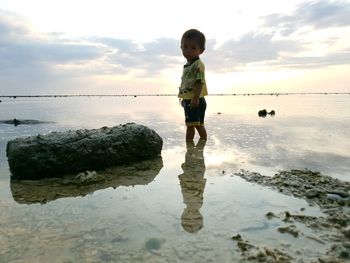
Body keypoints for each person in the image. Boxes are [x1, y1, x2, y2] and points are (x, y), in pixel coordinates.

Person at [178, 29, 208, 142]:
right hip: (189, 100)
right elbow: (186, 83)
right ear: (181, 47)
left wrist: (195, 98)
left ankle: (196, 146)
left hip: (196, 100)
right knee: (192, 124)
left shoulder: (198, 65)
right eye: (185, 47)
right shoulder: (187, 65)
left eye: (193, 48)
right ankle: (192, 146)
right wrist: (184, 98)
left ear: (201, 50)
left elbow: (199, 82)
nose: (188, 50)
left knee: (196, 125)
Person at [178, 139, 207, 233]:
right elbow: (197, 189)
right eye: (195, 218)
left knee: (194, 151)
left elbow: (187, 189)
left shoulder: (193, 204)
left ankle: (200, 140)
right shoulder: (194, 204)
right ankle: (200, 140)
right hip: (195, 175)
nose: (191, 216)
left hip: (193, 175)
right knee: (195, 151)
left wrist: (183, 177)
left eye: (187, 218)